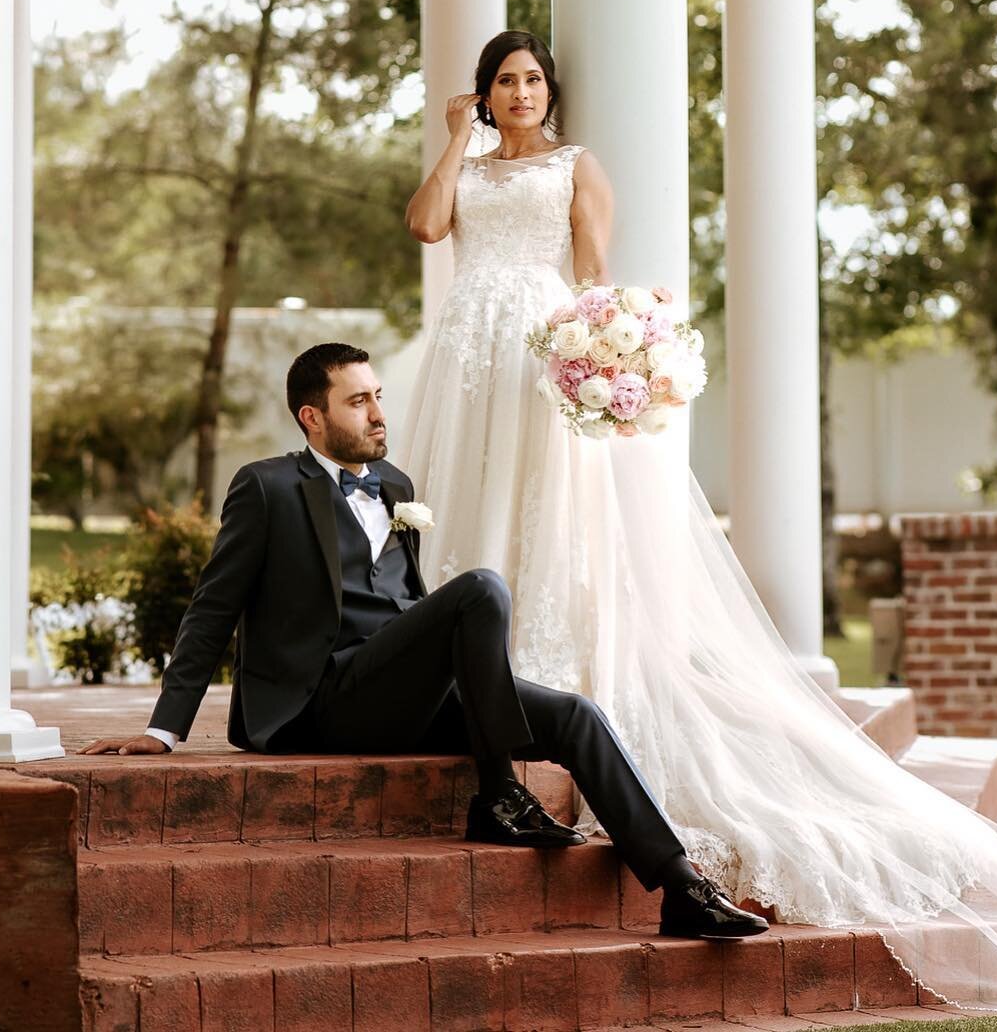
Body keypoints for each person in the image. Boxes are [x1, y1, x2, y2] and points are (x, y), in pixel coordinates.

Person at [397, 27, 997, 1012]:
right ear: (485, 92)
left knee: (538, 510)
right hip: (464, 354)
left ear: (551, 90)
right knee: (467, 500)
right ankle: (465, 660)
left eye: (533, 78)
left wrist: (607, 352)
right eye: (505, 80)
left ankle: (539, 664)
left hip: (539, 346)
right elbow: (424, 227)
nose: (521, 92)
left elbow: (591, 274)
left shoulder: (580, 167)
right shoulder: (472, 160)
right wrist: (456, 137)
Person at [81, 342, 768, 942]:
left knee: (575, 716)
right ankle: (498, 793)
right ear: (311, 418)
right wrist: (164, 729)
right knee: (481, 588)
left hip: (400, 690)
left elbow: (403, 605)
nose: (379, 414)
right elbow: (212, 608)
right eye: (358, 402)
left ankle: (682, 890)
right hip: (320, 701)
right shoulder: (267, 487)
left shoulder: (394, 486)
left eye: (379, 396)